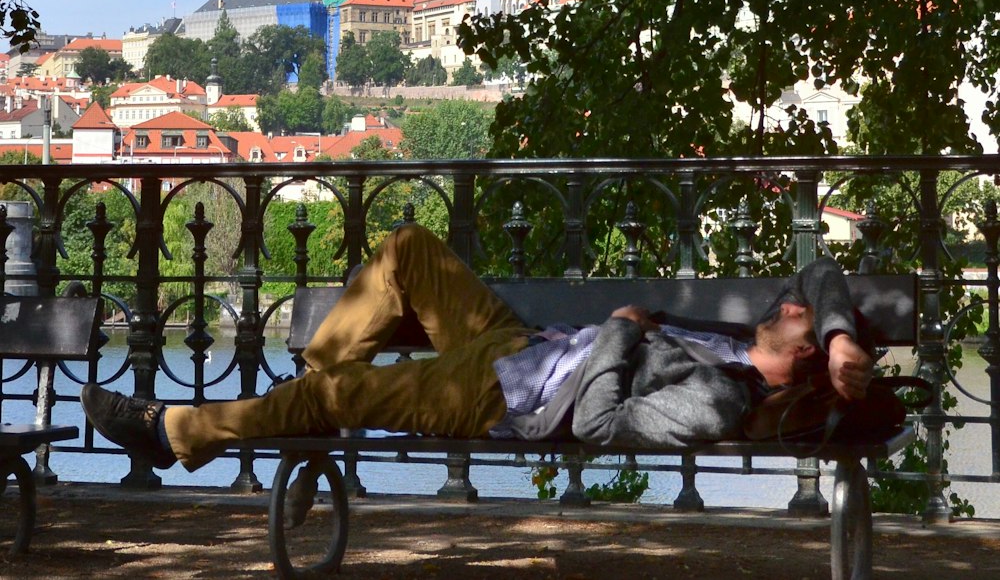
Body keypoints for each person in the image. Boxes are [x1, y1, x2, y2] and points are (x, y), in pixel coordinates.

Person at [81, 222, 873, 473]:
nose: (796, 304)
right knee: (409, 249)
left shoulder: (725, 393)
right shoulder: (779, 334)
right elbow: (824, 267)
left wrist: (625, 331)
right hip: (518, 346)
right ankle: (314, 395)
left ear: (796, 363)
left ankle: (174, 432)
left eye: (803, 319)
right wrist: (840, 335)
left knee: (328, 398)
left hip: (507, 394)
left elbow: (599, 426)